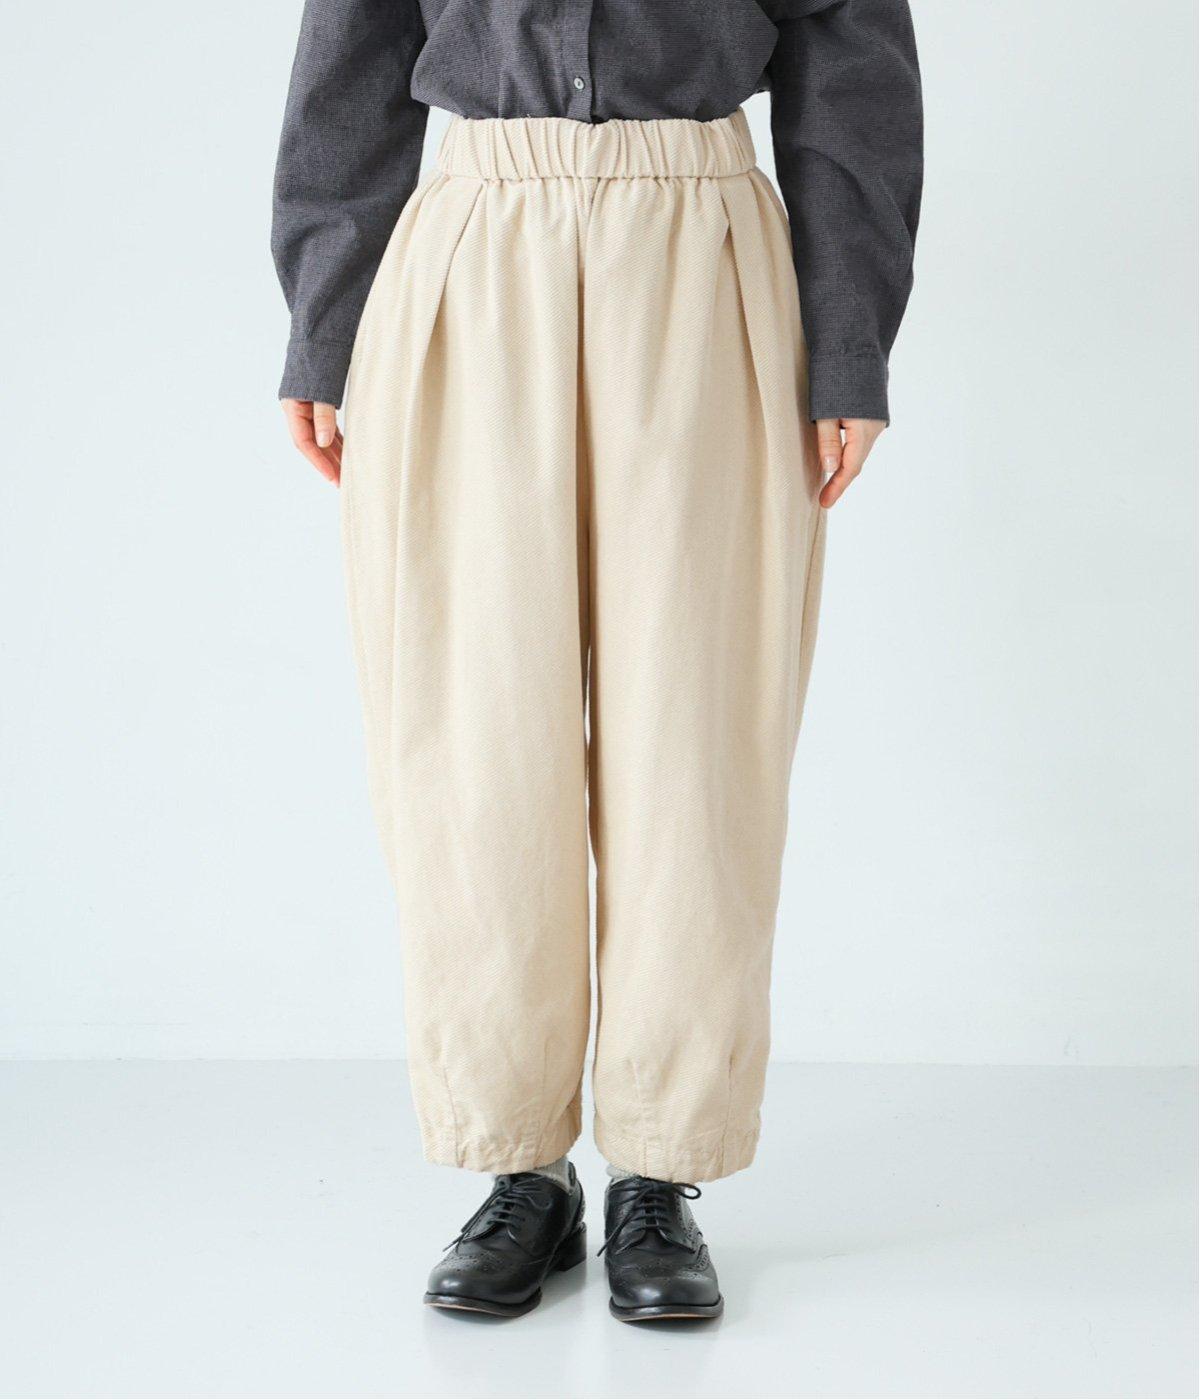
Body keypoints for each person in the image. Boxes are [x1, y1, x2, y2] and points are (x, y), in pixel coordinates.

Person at [272, 0, 922, 1323]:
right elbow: (353, 54)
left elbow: (850, 58)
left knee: (697, 737)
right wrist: (325, 323)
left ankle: (660, 1172)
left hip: (705, 241)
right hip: (475, 243)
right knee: (470, 732)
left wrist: (849, 341)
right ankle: (520, 1162)